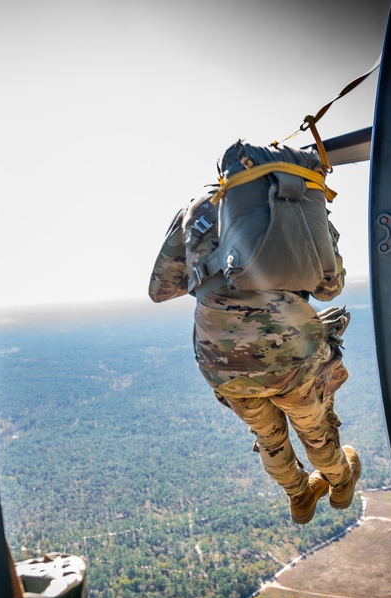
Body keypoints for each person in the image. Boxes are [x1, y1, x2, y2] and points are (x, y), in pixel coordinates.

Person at [148, 143, 361, 525]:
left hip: (221, 360)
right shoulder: (301, 207)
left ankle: (299, 496)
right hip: (292, 355)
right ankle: (340, 483)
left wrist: (211, 266)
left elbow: (161, 289)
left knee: (269, 436)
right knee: (314, 430)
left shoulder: (196, 209)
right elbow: (331, 287)